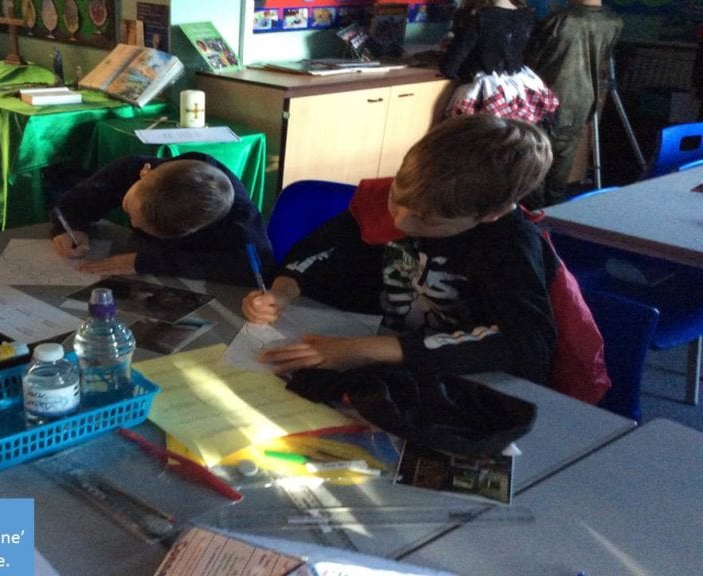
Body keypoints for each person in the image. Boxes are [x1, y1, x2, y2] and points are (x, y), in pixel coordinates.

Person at [242, 114, 558, 386]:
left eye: (427, 219)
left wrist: (366, 350)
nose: (400, 220)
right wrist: (283, 291)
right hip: (363, 358)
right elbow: (319, 253)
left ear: (491, 214)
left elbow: (526, 344)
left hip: (452, 380)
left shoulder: (510, 243)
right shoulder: (389, 201)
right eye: (396, 198)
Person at [50, 152, 273, 286]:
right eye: (128, 209)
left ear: (197, 228)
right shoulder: (130, 169)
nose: (133, 224)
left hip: (185, 278)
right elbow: (74, 202)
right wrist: (69, 227)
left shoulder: (238, 218)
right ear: (144, 173)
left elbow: (256, 269)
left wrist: (147, 263)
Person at [525, 0, 624, 208]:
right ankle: (554, 208)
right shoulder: (614, 22)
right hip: (585, 97)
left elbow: (531, 57)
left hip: (547, 95)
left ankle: (536, 212)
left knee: (536, 154)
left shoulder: (560, 19)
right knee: (563, 155)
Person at [439, 0, 558, 123]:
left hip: (485, 93)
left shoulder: (480, 18)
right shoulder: (528, 17)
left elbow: (449, 66)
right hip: (521, 92)